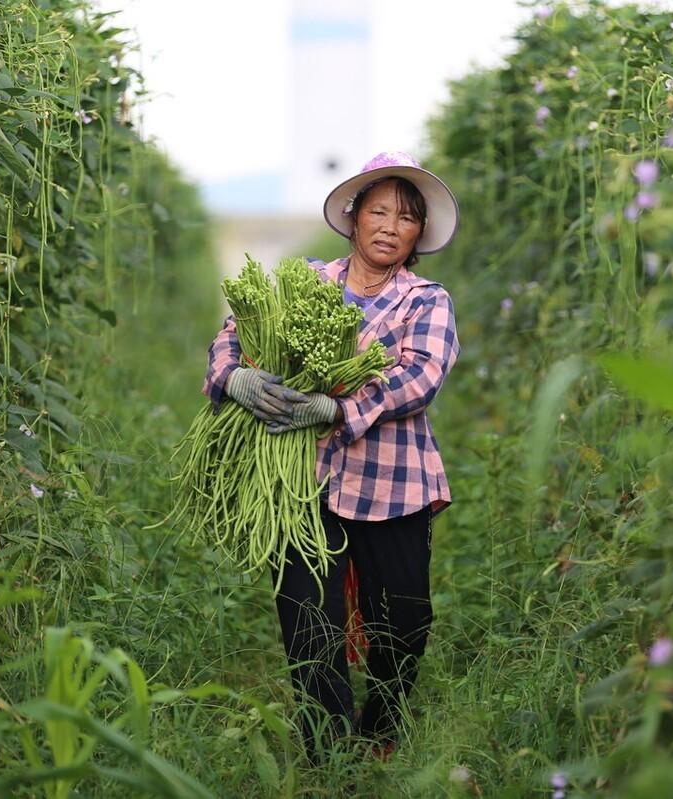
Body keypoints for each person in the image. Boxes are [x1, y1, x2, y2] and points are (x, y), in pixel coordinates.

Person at [201, 151, 461, 761]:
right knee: (307, 625)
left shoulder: (425, 300)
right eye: (378, 211)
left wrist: (337, 408)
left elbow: (420, 377)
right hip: (301, 481)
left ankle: (379, 731)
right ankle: (329, 755)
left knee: (402, 625)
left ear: (419, 233)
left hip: (393, 485)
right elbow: (232, 333)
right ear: (354, 217)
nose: (390, 227)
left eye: (405, 217)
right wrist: (233, 377)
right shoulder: (306, 282)